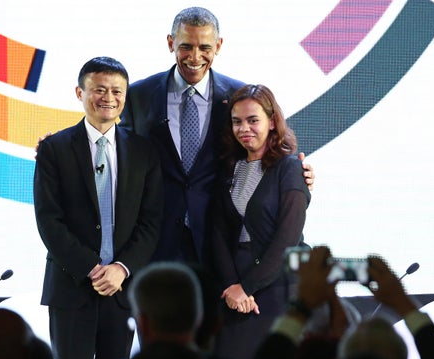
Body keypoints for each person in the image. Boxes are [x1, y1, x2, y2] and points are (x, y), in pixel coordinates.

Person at [120, 7, 314, 265]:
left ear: (219, 46)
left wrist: (295, 175)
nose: (195, 57)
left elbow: (266, 150)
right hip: (154, 240)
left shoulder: (238, 95)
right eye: (186, 46)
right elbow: (114, 147)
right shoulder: (138, 94)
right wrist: (58, 148)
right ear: (170, 43)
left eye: (205, 48)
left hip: (220, 243)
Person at [33, 56, 164, 359]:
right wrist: (91, 268)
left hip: (121, 292)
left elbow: (151, 221)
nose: (108, 97)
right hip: (72, 288)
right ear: (81, 92)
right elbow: (49, 220)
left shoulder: (143, 151)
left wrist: (121, 269)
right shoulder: (53, 149)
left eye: (116, 91)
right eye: (99, 89)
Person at [210, 84, 311, 359]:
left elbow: (288, 239)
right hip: (234, 291)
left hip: (277, 286)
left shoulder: (290, 168)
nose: (244, 128)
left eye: (253, 120)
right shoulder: (229, 167)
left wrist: (248, 287)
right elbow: (218, 232)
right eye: (237, 121)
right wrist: (233, 286)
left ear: (271, 121)